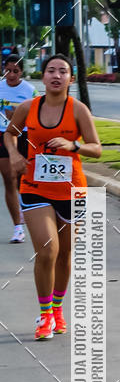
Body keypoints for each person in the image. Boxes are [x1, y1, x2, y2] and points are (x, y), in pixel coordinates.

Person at [5, 53, 102, 340]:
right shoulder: (28, 107)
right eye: (50, 70)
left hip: (72, 189)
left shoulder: (78, 110)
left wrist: (74, 145)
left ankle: (58, 310)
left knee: (65, 254)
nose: (56, 75)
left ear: (71, 78)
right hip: (35, 187)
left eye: (62, 71)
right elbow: (9, 134)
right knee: (47, 250)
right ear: (42, 76)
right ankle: (45, 315)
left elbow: (96, 148)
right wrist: (13, 155)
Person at [0, 54, 37, 242]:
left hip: (24, 136)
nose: (11, 74)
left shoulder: (29, 90)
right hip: (3, 135)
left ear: (21, 71)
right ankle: (17, 227)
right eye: (8, 70)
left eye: (15, 71)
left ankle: (26, 210)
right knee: (8, 177)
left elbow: (38, 113)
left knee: (22, 179)